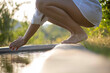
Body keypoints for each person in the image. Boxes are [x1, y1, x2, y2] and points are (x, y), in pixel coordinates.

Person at [9, 0, 102, 51]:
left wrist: (25, 39)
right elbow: (41, 12)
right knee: (47, 13)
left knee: (41, 3)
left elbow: (41, 6)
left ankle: (78, 33)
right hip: (87, 11)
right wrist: (25, 39)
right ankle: (75, 32)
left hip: (88, 9)